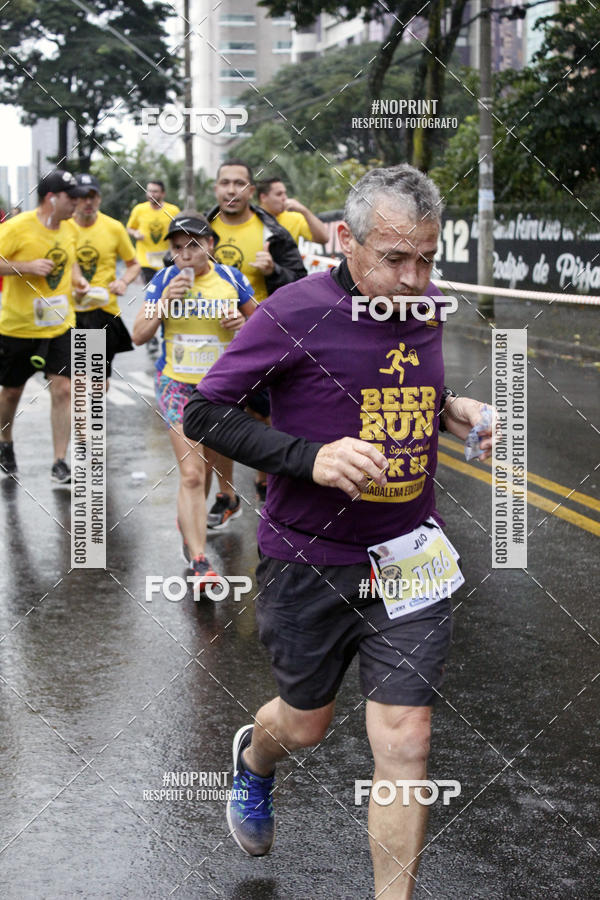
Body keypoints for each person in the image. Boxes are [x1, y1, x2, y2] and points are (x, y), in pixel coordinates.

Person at [183, 164, 495, 897]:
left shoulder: (424, 306)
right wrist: (310, 458)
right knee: (304, 725)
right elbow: (206, 413)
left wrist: (454, 409)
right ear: (346, 242)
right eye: (395, 259)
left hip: (410, 554)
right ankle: (256, 761)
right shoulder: (292, 311)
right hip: (309, 560)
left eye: (427, 257)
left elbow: (404, 381)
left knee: (407, 741)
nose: (415, 278)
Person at [132, 212, 255, 582]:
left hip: (221, 387)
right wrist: (163, 304)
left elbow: (267, 328)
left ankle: (192, 522)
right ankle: (200, 561)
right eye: (178, 247)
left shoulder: (232, 279)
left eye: (194, 244)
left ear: (210, 245)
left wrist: (245, 324)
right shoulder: (163, 281)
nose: (186, 253)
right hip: (177, 386)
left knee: (206, 467)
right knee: (190, 474)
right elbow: (138, 333)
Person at [207, 159, 307, 507]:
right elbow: (174, 271)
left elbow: (301, 281)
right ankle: (226, 492)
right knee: (217, 415)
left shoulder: (274, 233)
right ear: (216, 187)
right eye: (224, 183)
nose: (231, 190)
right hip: (211, 339)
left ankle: (265, 483)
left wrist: (274, 269)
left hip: (264, 336)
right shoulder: (200, 229)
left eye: (239, 183)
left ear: (251, 190)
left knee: (266, 416)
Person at [0, 169, 88, 483]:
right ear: (51, 198)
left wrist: (79, 281)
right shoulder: (17, 227)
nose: (76, 205)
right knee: (11, 392)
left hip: (61, 325)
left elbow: (72, 259)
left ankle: (60, 461)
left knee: (64, 389)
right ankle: (5, 442)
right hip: (18, 327)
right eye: (71, 198)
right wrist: (25, 267)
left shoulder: (70, 228)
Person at [72, 174, 140, 380]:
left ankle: (94, 413)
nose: (88, 202)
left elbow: (133, 264)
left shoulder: (113, 227)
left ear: (99, 198)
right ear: (74, 198)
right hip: (68, 311)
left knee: (96, 379)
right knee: (71, 381)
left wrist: (123, 281)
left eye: (92, 196)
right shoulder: (63, 227)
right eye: (83, 196)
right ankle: (79, 413)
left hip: (102, 311)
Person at [126, 180, 180, 286]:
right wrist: (135, 233)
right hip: (145, 260)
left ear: (163, 193)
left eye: (155, 191)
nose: (151, 194)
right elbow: (129, 228)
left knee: (167, 290)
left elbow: (180, 233)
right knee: (152, 289)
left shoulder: (173, 211)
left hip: (167, 259)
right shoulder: (139, 209)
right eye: (149, 191)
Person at [256, 177, 329, 245]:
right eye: (279, 194)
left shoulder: (294, 217)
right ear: (263, 197)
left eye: (285, 193)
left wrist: (304, 211)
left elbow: (324, 239)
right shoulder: (250, 218)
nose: (285, 198)